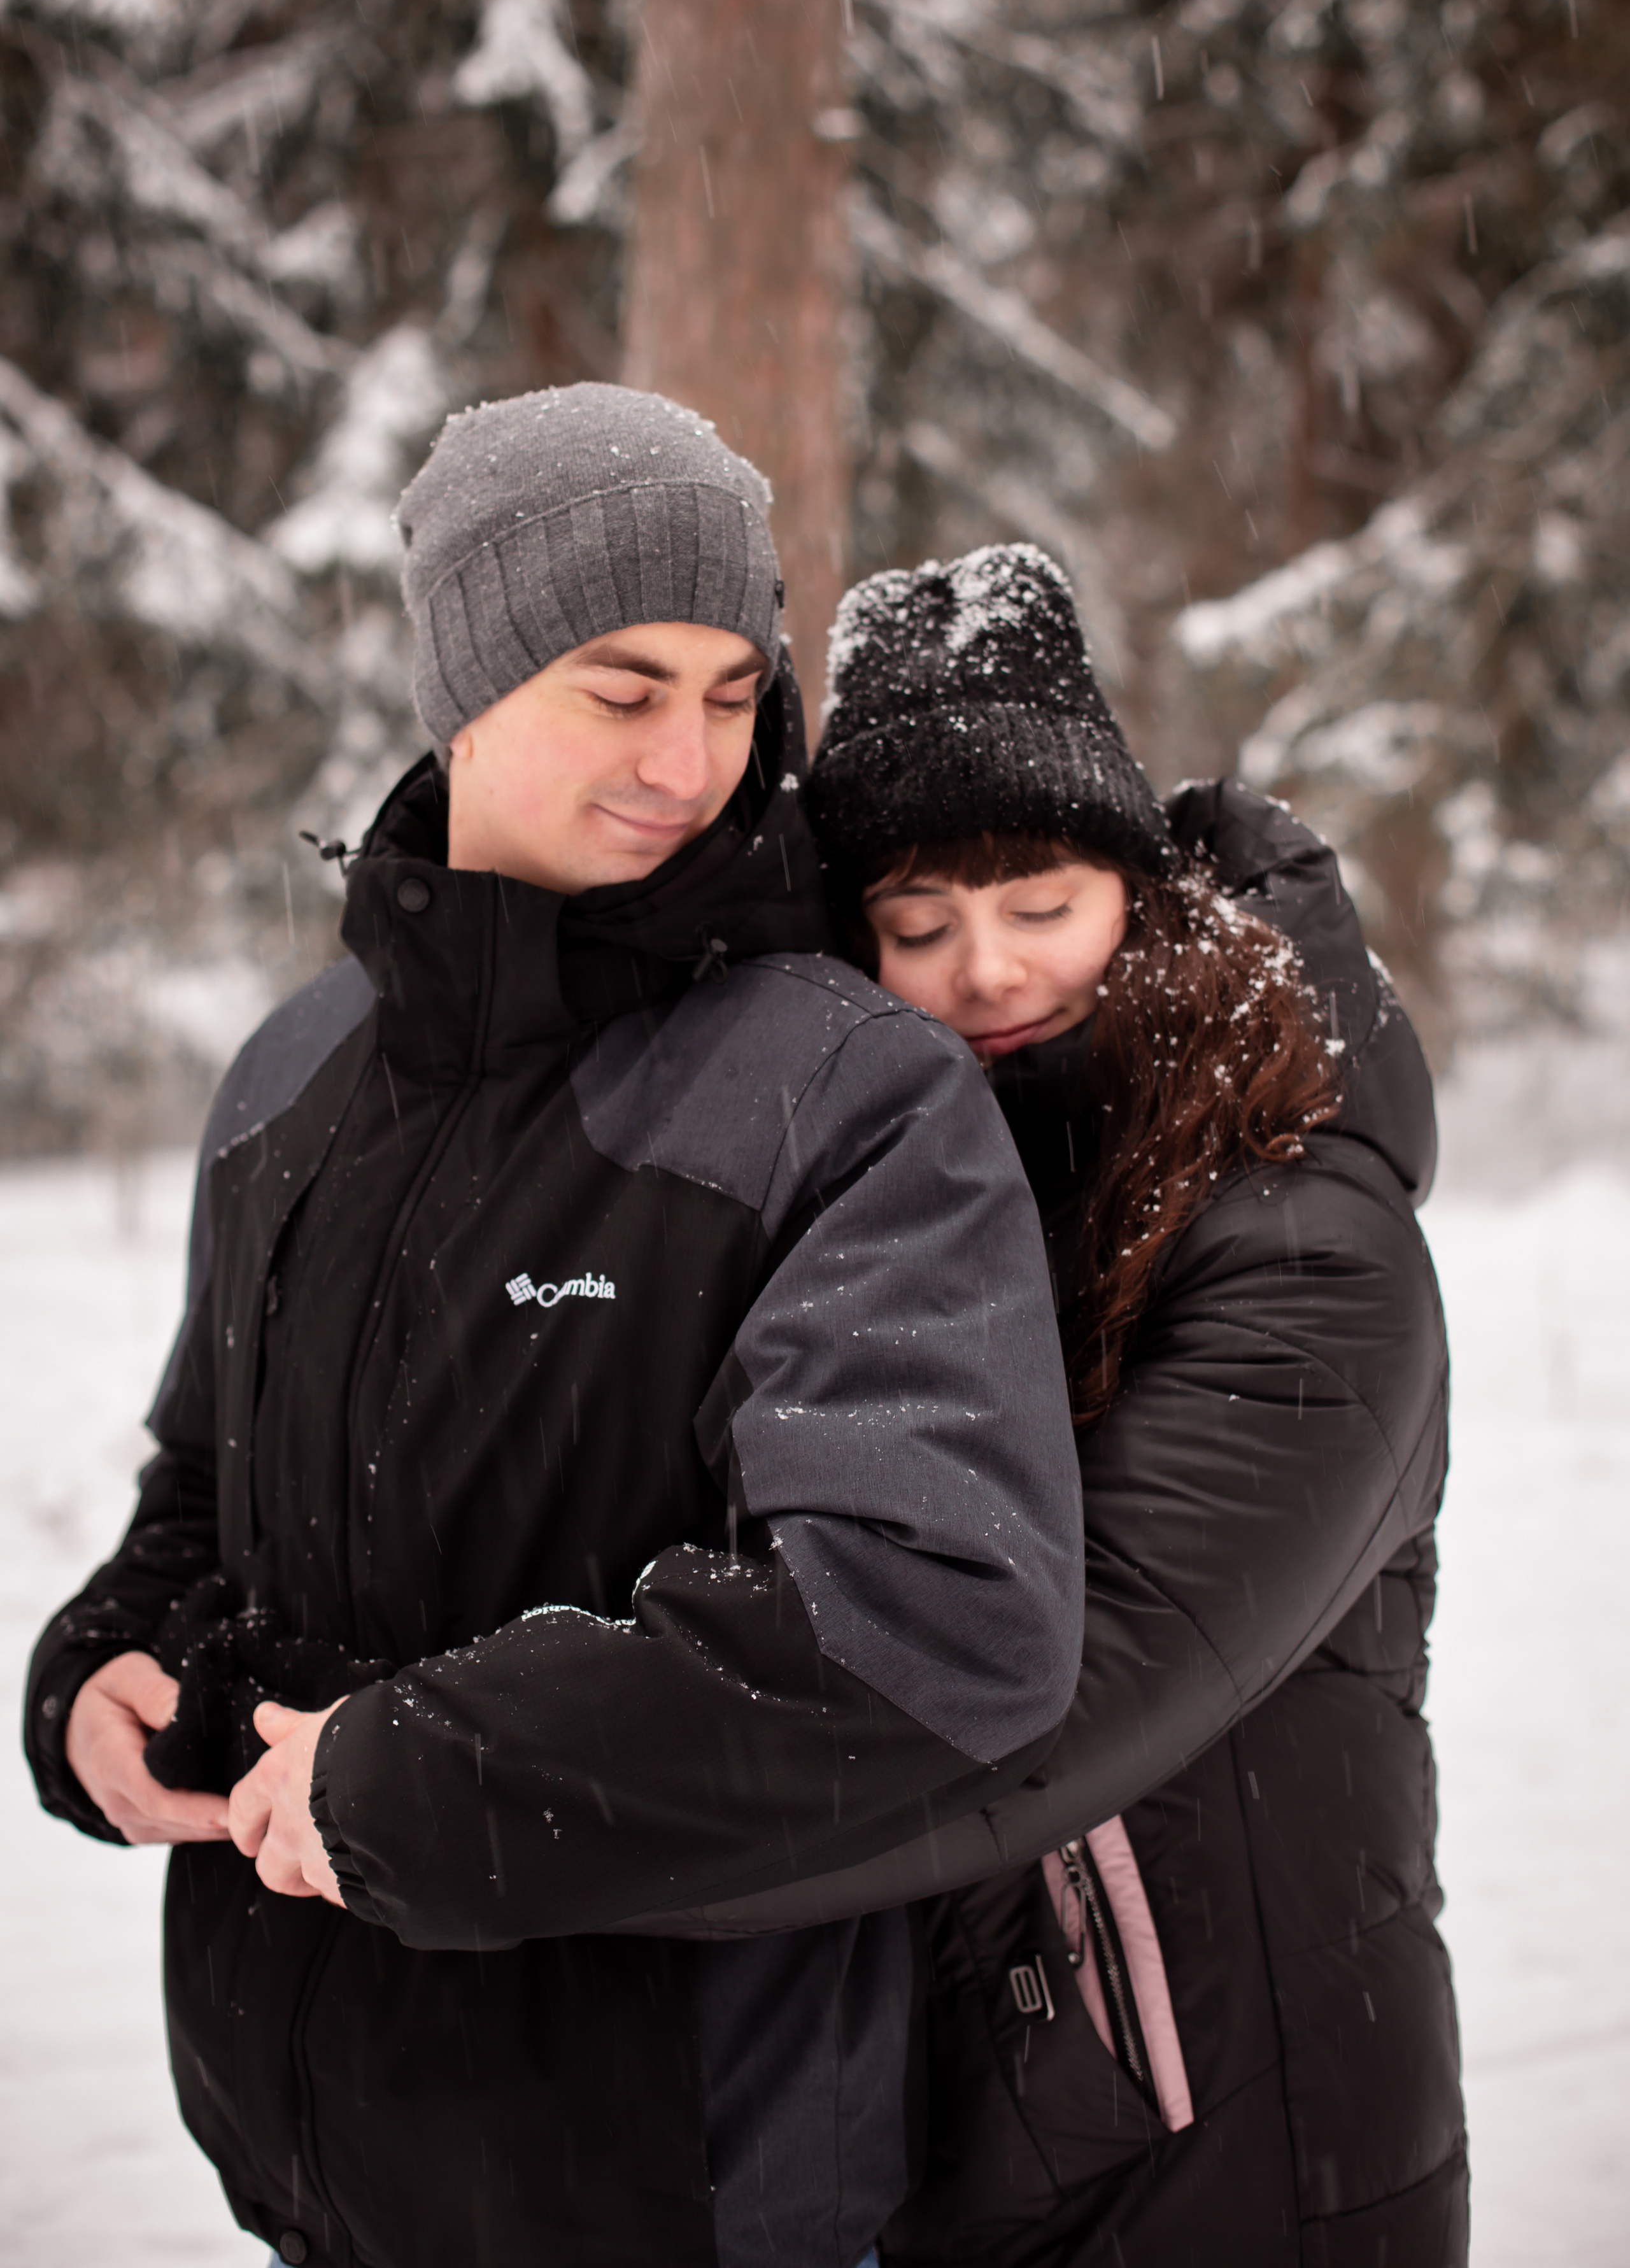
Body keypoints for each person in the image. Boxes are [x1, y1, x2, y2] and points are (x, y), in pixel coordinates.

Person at [22, 397, 1088, 2268]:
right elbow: (211, 1488)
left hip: (677, 2179)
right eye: (622, 689)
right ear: (467, 672)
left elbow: (935, 1614)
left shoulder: (841, 1093)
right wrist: (113, 1650)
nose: (691, 757)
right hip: (317, 2162)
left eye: (733, 693)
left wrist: (422, 1778)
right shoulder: (294, 1076)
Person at [772, 543, 1464, 2264]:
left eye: (1040, 906)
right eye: (919, 927)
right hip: (1000, 2142)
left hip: (1254, 2147)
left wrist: (541, 1825)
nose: (988, 971)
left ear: (1137, 898)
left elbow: (1047, 1699)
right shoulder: (911, 1210)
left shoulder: (1299, 1231)